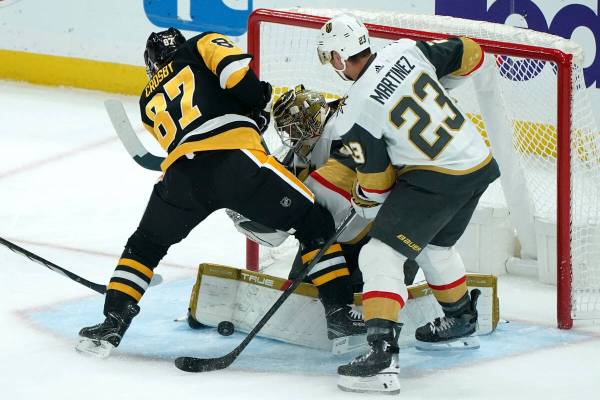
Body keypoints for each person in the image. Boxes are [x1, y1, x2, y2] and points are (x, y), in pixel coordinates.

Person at [76, 28, 363, 358]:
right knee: (314, 223)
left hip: (181, 178)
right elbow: (236, 78)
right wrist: (260, 101)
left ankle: (112, 323)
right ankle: (340, 317)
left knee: (144, 245)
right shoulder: (201, 44)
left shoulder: (146, 101)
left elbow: (187, 135)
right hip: (236, 163)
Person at [315, 15, 501, 394]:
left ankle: (381, 358)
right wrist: (441, 85)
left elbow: (379, 183)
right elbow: (471, 52)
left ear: (338, 56)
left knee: (379, 256)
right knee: (435, 246)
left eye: (331, 59)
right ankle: (461, 319)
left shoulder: (356, 111)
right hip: (477, 163)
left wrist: (363, 201)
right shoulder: (406, 50)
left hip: (436, 179)